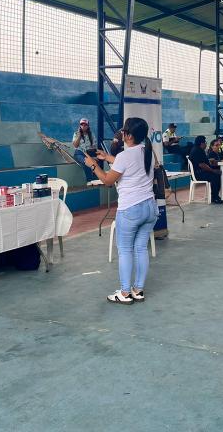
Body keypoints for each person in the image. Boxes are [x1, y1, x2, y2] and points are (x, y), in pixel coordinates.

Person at [83, 117, 157, 305]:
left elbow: (108, 181)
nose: (121, 133)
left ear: (129, 135)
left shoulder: (125, 156)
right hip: (150, 208)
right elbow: (131, 164)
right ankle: (138, 290)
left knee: (125, 251)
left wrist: (93, 165)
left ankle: (124, 293)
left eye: (124, 131)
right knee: (141, 249)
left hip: (130, 210)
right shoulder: (148, 152)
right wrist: (107, 158)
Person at [189, 135, 223, 204]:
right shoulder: (198, 151)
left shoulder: (197, 149)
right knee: (215, 176)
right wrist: (213, 170)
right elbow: (202, 165)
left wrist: (209, 160)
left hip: (200, 171)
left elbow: (202, 161)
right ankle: (215, 197)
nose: (206, 144)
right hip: (199, 174)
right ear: (202, 143)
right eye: (205, 142)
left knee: (216, 173)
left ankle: (215, 196)